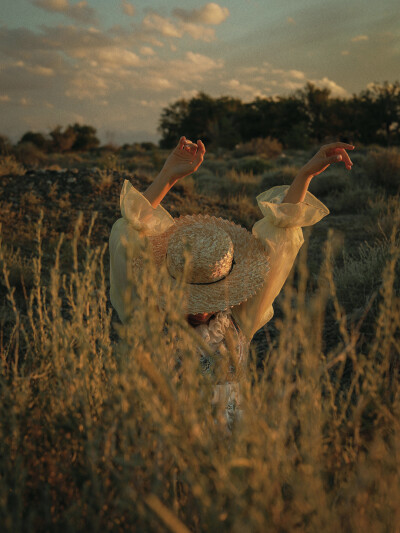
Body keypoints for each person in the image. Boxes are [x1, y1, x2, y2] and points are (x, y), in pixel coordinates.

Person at [109, 137, 354, 427]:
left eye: (210, 297)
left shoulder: (239, 320)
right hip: (163, 440)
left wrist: (305, 175)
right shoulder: (147, 319)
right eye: (188, 297)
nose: (200, 310)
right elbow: (128, 233)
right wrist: (167, 177)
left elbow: (280, 238)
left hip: (228, 442)